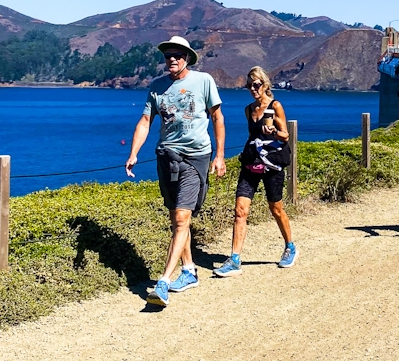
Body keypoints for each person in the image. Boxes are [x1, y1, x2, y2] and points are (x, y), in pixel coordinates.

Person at [125, 36, 226, 307]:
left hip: (195, 157)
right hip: (166, 157)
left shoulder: (203, 81)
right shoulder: (157, 87)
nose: (172, 58)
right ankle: (189, 270)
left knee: (182, 218)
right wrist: (134, 153)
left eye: (177, 55)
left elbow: (217, 117)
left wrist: (220, 156)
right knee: (177, 218)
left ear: (187, 58)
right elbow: (145, 120)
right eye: (168, 55)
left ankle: (163, 282)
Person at [214, 66, 297, 277]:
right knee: (240, 210)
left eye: (257, 84)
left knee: (276, 208)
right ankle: (234, 259)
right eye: (249, 85)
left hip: (272, 164)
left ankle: (290, 246)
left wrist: (274, 132)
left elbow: (286, 135)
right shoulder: (248, 109)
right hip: (251, 163)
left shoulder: (275, 106)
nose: (253, 89)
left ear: (265, 85)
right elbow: (253, 136)